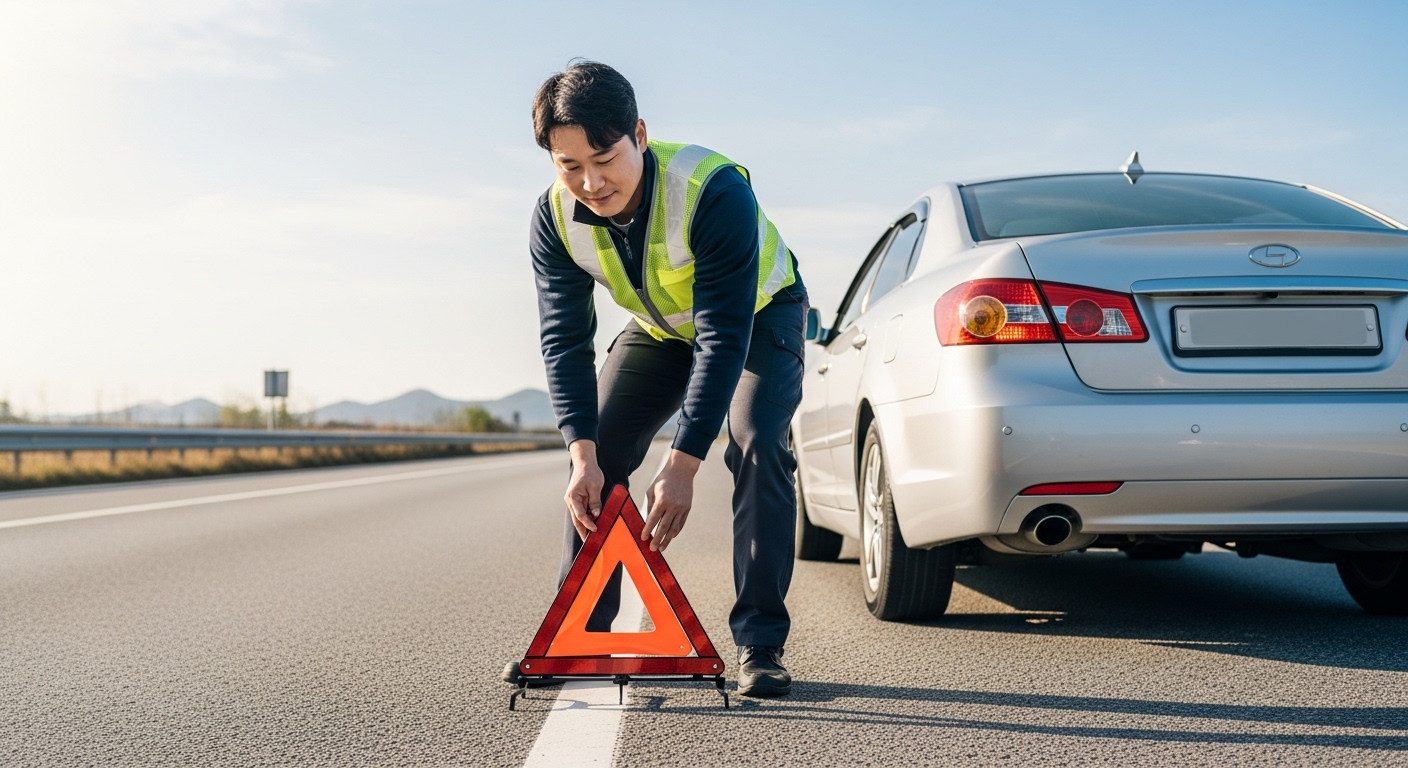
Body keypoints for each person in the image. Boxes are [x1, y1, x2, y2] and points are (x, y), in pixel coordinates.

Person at [507, 61, 809, 698]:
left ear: (638, 134)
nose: (591, 181)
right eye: (569, 165)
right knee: (602, 450)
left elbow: (722, 335)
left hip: (756, 316)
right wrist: (580, 455)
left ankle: (760, 645)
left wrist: (684, 463)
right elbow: (564, 338)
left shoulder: (712, 188)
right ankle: (583, 637)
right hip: (661, 330)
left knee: (755, 441)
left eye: (604, 157)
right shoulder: (553, 218)